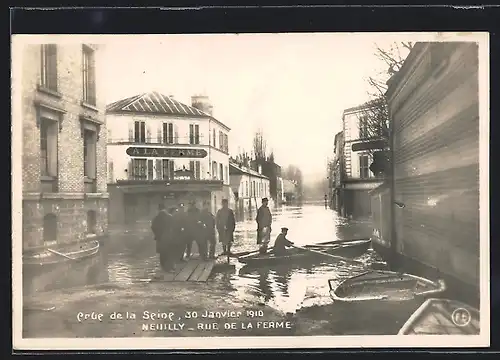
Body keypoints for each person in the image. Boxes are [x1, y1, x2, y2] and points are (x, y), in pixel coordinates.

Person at [151, 203, 173, 271]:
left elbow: (153, 227)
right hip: (168, 237)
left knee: (162, 253)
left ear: (158, 209)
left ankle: (163, 266)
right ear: (165, 208)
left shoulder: (156, 217)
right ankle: (168, 267)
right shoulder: (169, 216)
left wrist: (157, 234)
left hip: (160, 238)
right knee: (168, 252)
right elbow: (173, 227)